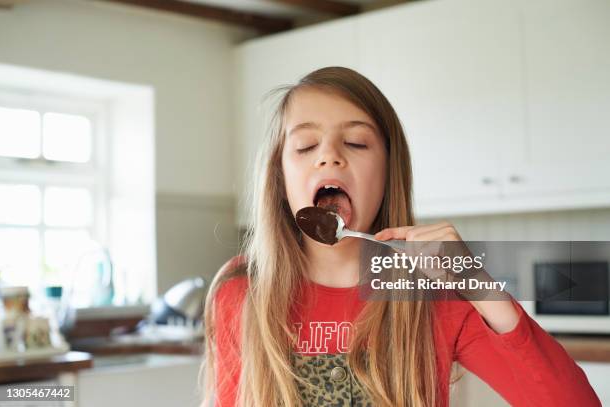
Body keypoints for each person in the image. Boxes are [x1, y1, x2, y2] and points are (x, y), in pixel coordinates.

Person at [200, 67, 600, 406]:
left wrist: (476, 284)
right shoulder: (241, 291)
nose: (329, 155)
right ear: (280, 177)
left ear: (389, 172)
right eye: (305, 146)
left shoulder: (432, 295)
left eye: (356, 142)